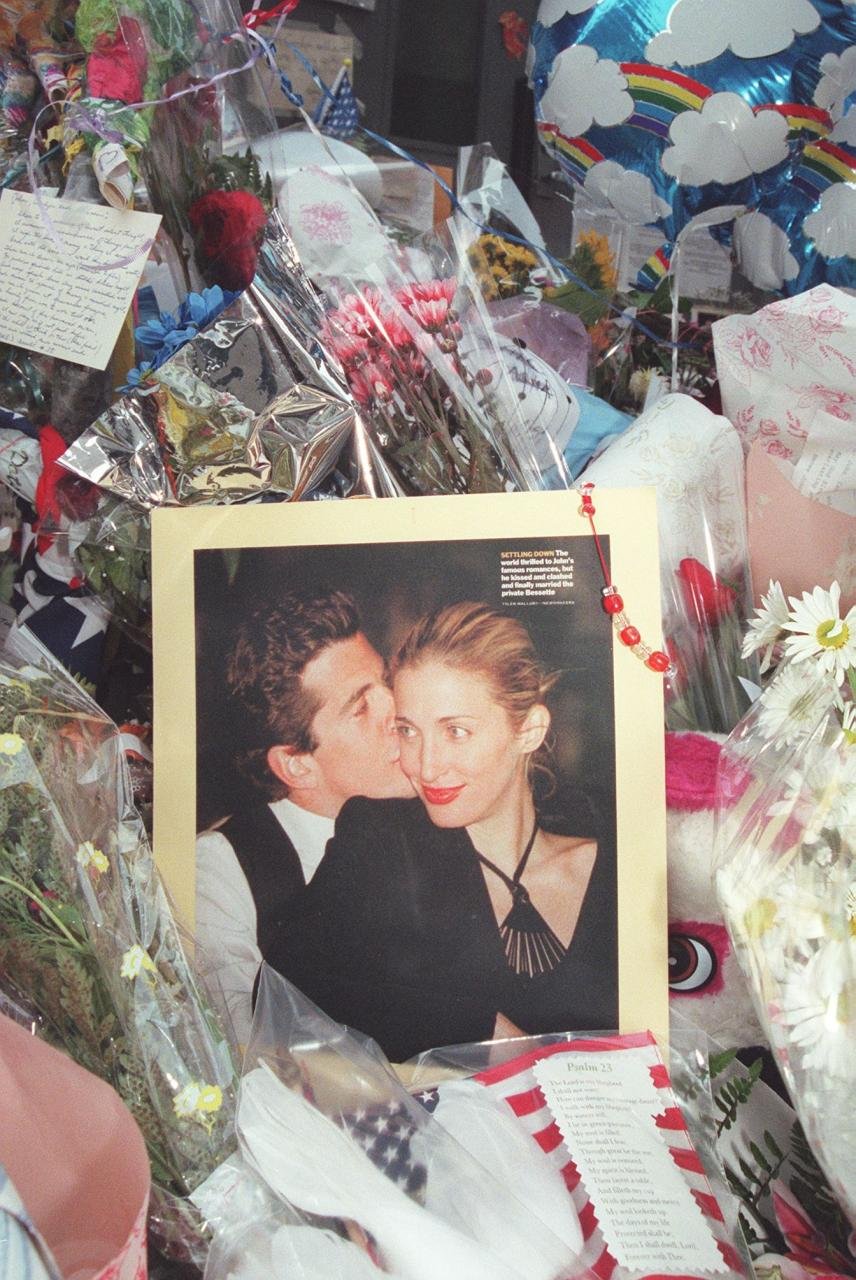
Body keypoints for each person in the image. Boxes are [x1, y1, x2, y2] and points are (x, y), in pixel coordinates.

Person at [272, 601, 617, 1062]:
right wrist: (481, 1032)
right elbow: (282, 991)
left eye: (455, 731)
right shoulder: (382, 841)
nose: (425, 765)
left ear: (529, 730)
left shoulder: (616, 867)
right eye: (408, 731)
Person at [195, 586, 412, 1045]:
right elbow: (241, 1044)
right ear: (298, 765)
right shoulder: (222, 867)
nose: (397, 712)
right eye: (361, 708)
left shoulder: (445, 811)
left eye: (386, 684)